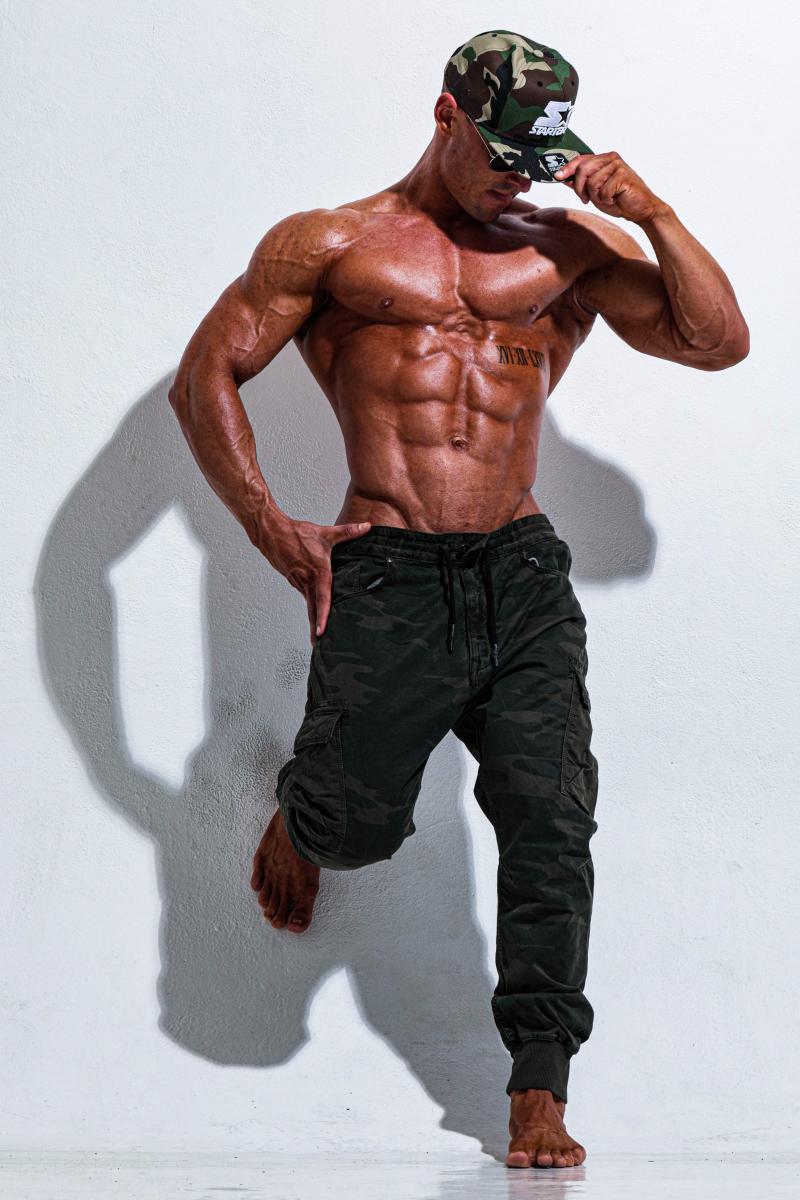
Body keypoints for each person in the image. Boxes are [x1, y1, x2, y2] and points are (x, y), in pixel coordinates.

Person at [168, 29, 749, 1170]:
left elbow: (714, 341)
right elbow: (207, 376)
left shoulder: (564, 250)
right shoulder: (331, 243)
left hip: (522, 574)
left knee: (551, 822)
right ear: (445, 114)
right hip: (387, 571)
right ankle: (309, 814)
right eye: (498, 154)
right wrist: (271, 526)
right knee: (359, 826)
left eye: (536, 161)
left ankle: (537, 1086)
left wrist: (656, 217)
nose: (514, 181)